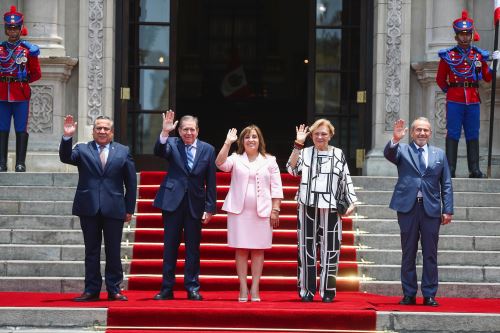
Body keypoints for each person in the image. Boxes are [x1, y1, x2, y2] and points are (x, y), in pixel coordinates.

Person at [59, 115, 137, 302]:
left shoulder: (123, 151)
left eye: (106, 128)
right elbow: (66, 157)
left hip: (114, 208)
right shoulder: (83, 149)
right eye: (99, 128)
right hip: (89, 207)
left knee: (113, 251)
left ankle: (114, 289)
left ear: (112, 132)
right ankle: (91, 290)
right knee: (91, 251)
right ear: (93, 131)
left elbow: (131, 182)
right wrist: (67, 137)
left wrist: (129, 208)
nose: (102, 131)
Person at [384, 117, 453, 307]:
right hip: (408, 207)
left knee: (430, 253)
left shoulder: (439, 154)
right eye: (418, 130)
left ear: (430, 133)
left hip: (431, 209)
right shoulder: (403, 150)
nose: (422, 133)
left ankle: (429, 294)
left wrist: (448, 209)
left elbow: (446, 183)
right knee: (409, 252)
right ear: (412, 132)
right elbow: (389, 155)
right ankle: (409, 294)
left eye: (425, 130)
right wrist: (396, 139)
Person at [286, 119, 357, 303]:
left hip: (332, 208)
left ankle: (327, 292)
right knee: (306, 250)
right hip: (307, 206)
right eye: (316, 133)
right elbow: (291, 170)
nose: (319, 137)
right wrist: (297, 144)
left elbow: (345, 178)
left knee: (331, 251)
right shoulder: (305, 152)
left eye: (324, 133)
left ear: (330, 135)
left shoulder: (338, 154)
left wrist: (352, 202)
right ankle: (306, 291)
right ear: (312, 136)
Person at [152, 110, 217, 301]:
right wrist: (165, 132)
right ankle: (166, 288)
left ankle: (192, 287)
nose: (189, 133)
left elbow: (211, 181)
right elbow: (159, 151)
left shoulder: (208, 149)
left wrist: (210, 207)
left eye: (192, 129)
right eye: (185, 130)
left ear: (198, 131)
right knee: (170, 247)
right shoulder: (171, 144)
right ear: (179, 131)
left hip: (195, 204)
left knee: (192, 249)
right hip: (172, 202)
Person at [216, 126, 283, 302]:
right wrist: (227, 143)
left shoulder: (270, 160)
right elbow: (220, 164)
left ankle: (255, 288)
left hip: (262, 211)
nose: (251, 140)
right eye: (247, 137)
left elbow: (276, 187)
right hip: (239, 211)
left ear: (259, 140)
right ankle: (243, 287)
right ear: (242, 141)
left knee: (258, 250)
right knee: (241, 249)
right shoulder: (236, 158)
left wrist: (275, 210)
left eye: (254, 136)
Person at [436, 9, 500, 178]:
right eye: (461, 34)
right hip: (455, 99)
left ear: (471, 35)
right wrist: (450, 91)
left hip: (472, 99)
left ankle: (474, 169)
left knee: (473, 133)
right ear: (456, 36)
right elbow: (440, 79)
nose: (464, 37)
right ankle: (450, 169)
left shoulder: (479, 55)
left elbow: (487, 78)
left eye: (467, 34)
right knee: (453, 133)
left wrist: (494, 64)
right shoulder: (448, 56)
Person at [0, 6, 41, 172]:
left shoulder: (27, 50)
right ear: (6, 30)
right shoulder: (1, 49)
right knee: (2, 128)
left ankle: (20, 163)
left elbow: (37, 73)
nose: (12, 31)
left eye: (15, 28)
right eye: (9, 28)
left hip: (21, 94)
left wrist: (23, 79)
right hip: (2, 95)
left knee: (20, 129)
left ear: (20, 29)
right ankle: (2, 163)